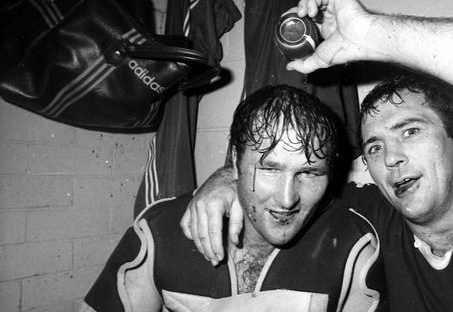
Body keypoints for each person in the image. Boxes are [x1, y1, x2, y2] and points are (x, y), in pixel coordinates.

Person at [181, 0, 453, 311]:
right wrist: (227, 178)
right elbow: (292, 177)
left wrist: (372, 33)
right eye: (373, 147)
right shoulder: (377, 216)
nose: (390, 158)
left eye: (409, 131)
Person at [79, 84, 385, 312]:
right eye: (269, 168)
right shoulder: (160, 230)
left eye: (309, 173)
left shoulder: (353, 245)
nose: (287, 198)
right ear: (235, 162)